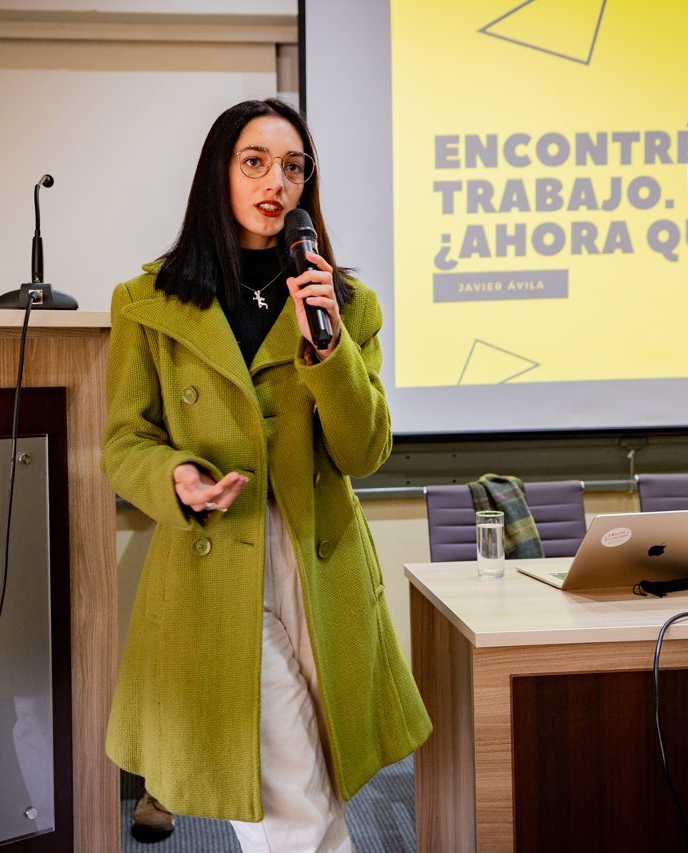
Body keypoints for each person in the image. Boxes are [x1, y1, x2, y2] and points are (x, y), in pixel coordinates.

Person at [102, 98, 432, 853]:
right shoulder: (147, 303)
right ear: (218, 174)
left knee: (313, 775)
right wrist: (177, 476)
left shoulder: (347, 304)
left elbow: (364, 452)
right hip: (217, 561)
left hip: (321, 563)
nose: (274, 182)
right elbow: (124, 442)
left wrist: (331, 350)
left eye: (292, 167)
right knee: (290, 791)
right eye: (254, 162)